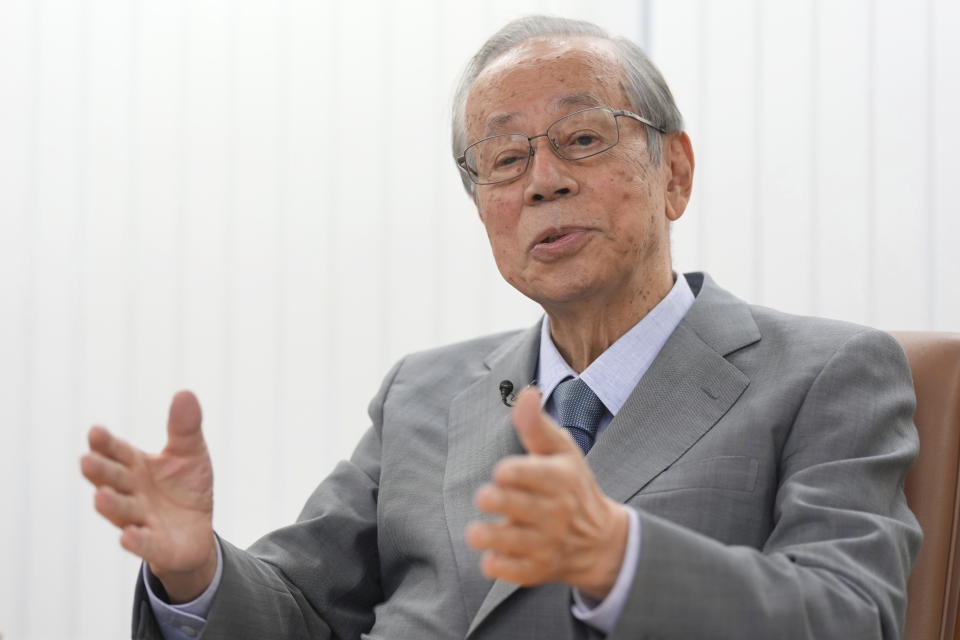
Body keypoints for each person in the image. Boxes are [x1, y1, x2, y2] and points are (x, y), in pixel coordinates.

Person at [80, 15, 922, 640]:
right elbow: (301, 610)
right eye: (506, 160)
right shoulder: (424, 392)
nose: (542, 182)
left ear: (676, 172)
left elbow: (851, 614)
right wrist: (194, 571)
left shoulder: (827, 373)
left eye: (583, 138)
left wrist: (618, 558)